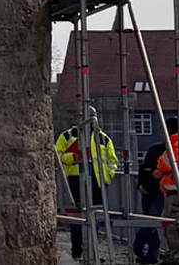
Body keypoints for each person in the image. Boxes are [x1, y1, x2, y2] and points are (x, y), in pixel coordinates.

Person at [55, 107, 118, 260]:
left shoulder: (103, 138)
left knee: (95, 218)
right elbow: (57, 156)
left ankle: (93, 251)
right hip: (76, 180)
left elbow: (112, 161)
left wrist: (107, 178)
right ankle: (78, 252)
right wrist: (72, 158)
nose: (93, 119)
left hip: (97, 182)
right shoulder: (68, 136)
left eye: (94, 116)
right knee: (79, 218)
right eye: (90, 116)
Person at [135, 115, 179, 263]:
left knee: (173, 227)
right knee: (171, 225)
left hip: (176, 191)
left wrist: (159, 169)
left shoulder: (177, 145)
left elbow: (166, 162)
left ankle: (177, 257)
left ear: (169, 129)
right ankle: (175, 255)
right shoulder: (178, 143)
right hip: (175, 191)